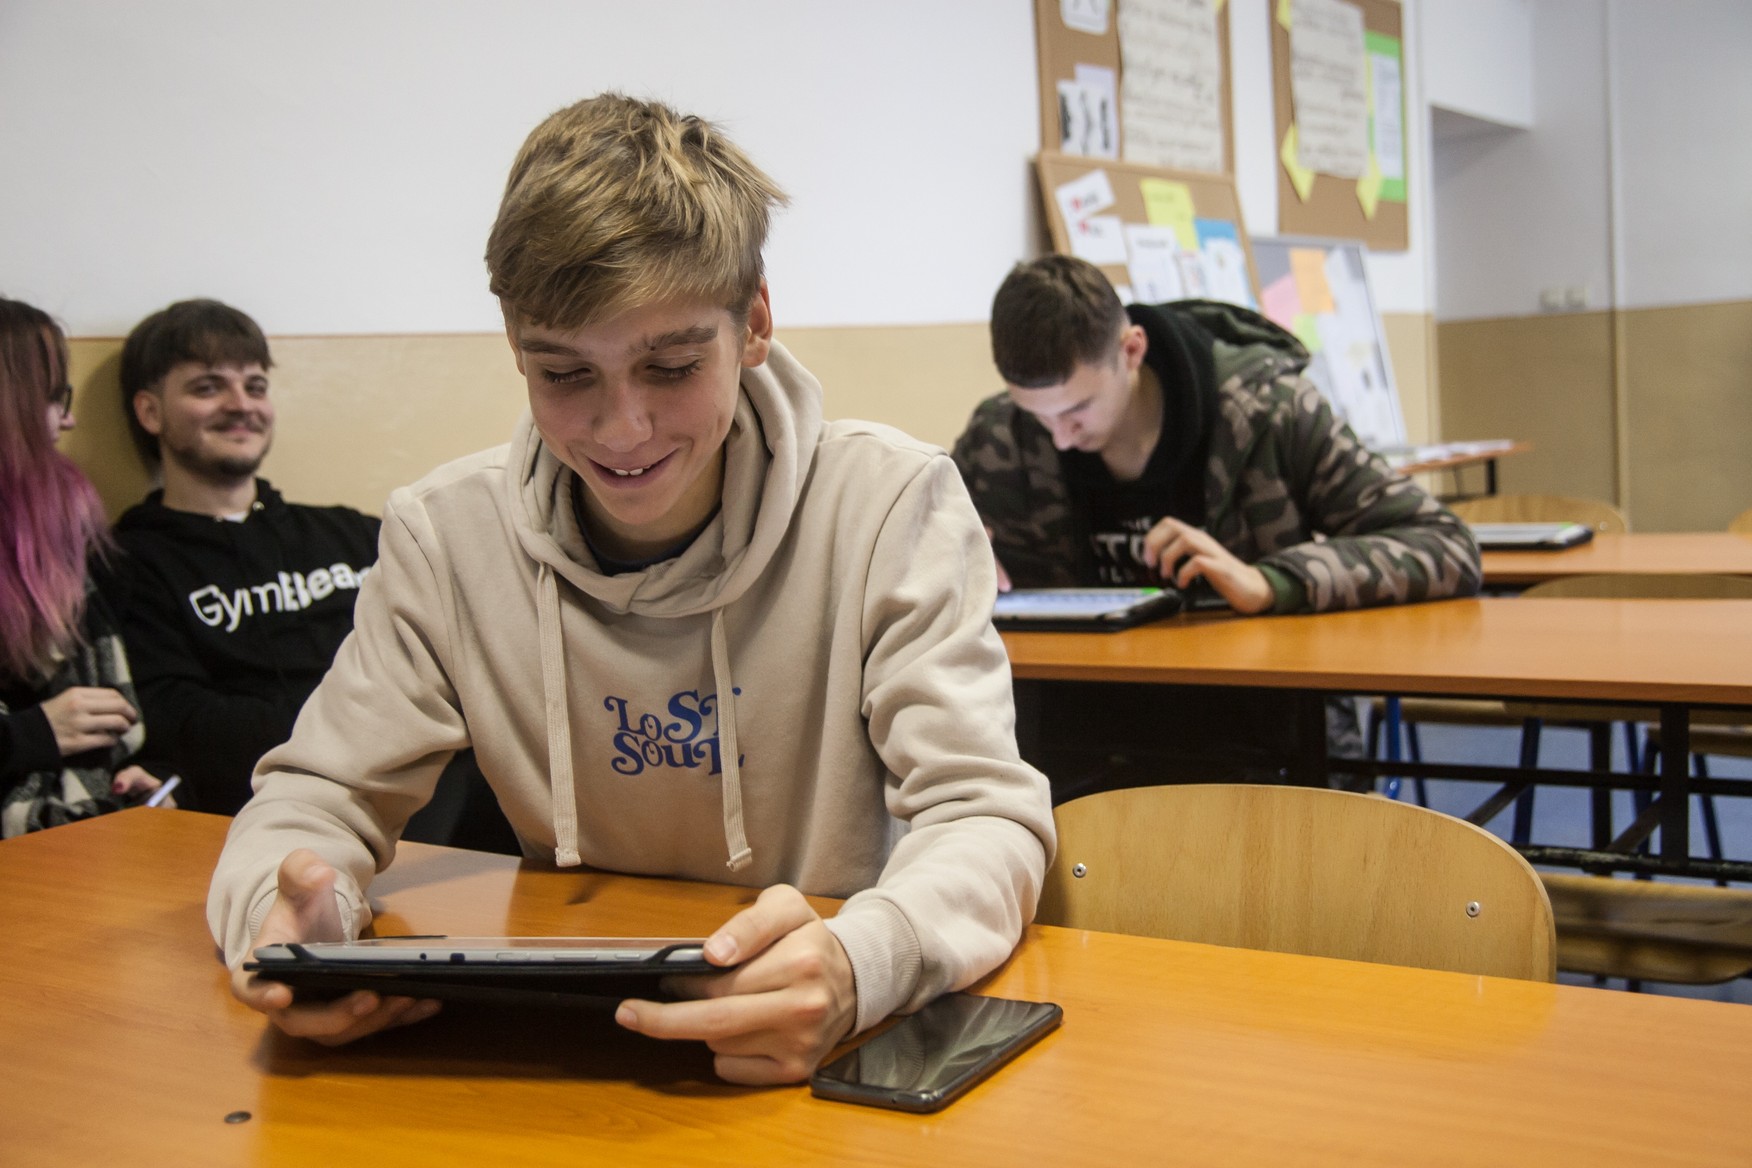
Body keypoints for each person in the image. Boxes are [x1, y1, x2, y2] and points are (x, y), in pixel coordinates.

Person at [208, 93, 1055, 1086]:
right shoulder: (447, 537)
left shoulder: (888, 505)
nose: (622, 429)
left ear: (754, 324)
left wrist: (862, 961)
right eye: (565, 375)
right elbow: (315, 796)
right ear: (516, 347)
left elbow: (986, 817)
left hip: (817, 1057)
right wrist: (287, 917)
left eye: (671, 365)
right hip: (569, 1058)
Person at [952, 256, 1480, 792]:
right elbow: (930, 546)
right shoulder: (1002, 433)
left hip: (1256, 744)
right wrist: (958, 556)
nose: (1060, 437)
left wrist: (1273, 582)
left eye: (1078, 410)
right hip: (1070, 752)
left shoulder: (1270, 411)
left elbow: (1445, 544)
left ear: (1131, 350)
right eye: (1039, 414)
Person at [105, 300, 383, 815]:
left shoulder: (355, 534)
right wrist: (374, 719)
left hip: (418, 785)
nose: (241, 405)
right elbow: (184, 725)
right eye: (207, 387)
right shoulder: (129, 562)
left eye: (255, 386)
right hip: (262, 812)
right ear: (150, 412)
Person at [0, 297, 166, 835]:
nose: (68, 419)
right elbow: (50, 724)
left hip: (72, 829)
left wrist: (147, 776)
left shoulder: (64, 525)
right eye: (53, 398)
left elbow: (116, 714)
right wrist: (33, 734)